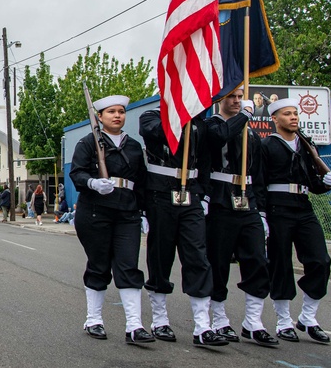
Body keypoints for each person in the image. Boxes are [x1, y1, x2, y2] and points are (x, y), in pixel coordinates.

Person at [71, 94, 154, 344]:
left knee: (128, 266)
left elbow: (141, 181)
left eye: (121, 112)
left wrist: (144, 211)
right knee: (99, 265)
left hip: (127, 212)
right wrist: (93, 182)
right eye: (111, 112)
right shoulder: (88, 143)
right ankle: (94, 320)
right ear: (100, 117)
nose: (117, 116)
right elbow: (77, 173)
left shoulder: (133, 146)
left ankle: (135, 326)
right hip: (96, 210)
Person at [139, 108, 225, 346]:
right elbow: (157, 133)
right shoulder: (151, 116)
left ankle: (202, 326)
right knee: (160, 256)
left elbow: (206, 160)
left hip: (192, 194)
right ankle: (159, 320)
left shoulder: (200, 124)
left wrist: (204, 194)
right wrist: (180, 114)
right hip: (161, 194)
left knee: (198, 256)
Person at [261, 98, 331, 344]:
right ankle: (283, 321)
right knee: (280, 264)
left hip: (303, 208)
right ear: (275, 119)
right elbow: (260, 182)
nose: (294, 117)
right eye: (287, 114)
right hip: (277, 208)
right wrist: (261, 214)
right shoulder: (267, 145)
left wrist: (327, 183)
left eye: (295, 113)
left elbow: (313, 184)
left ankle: (308, 317)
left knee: (320, 261)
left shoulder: (307, 146)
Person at [204, 90, 278, 346]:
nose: (236, 101)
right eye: (231, 97)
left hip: (248, 202)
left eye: (240, 96)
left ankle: (253, 321)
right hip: (220, 200)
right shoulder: (211, 125)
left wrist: (263, 210)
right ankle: (219, 319)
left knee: (257, 260)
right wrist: (246, 114)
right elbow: (221, 137)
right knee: (218, 262)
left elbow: (258, 175)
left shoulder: (252, 135)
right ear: (219, 100)